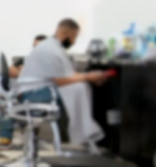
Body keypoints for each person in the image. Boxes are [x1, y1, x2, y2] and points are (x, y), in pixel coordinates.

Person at [17, 18, 108, 149]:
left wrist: (92, 76)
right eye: (74, 37)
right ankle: (82, 133)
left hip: (38, 90)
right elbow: (61, 80)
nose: (74, 41)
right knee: (79, 87)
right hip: (32, 94)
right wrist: (88, 76)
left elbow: (69, 74)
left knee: (81, 86)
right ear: (67, 34)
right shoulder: (50, 50)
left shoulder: (54, 47)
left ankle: (84, 132)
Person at [0, 34, 46, 142]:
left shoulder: (48, 64)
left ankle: (5, 136)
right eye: (34, 46)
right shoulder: (24, 60)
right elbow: (9, 71)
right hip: (11, 89)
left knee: (6, 98)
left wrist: (20, 73)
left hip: (26, 95)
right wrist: (6, 73)